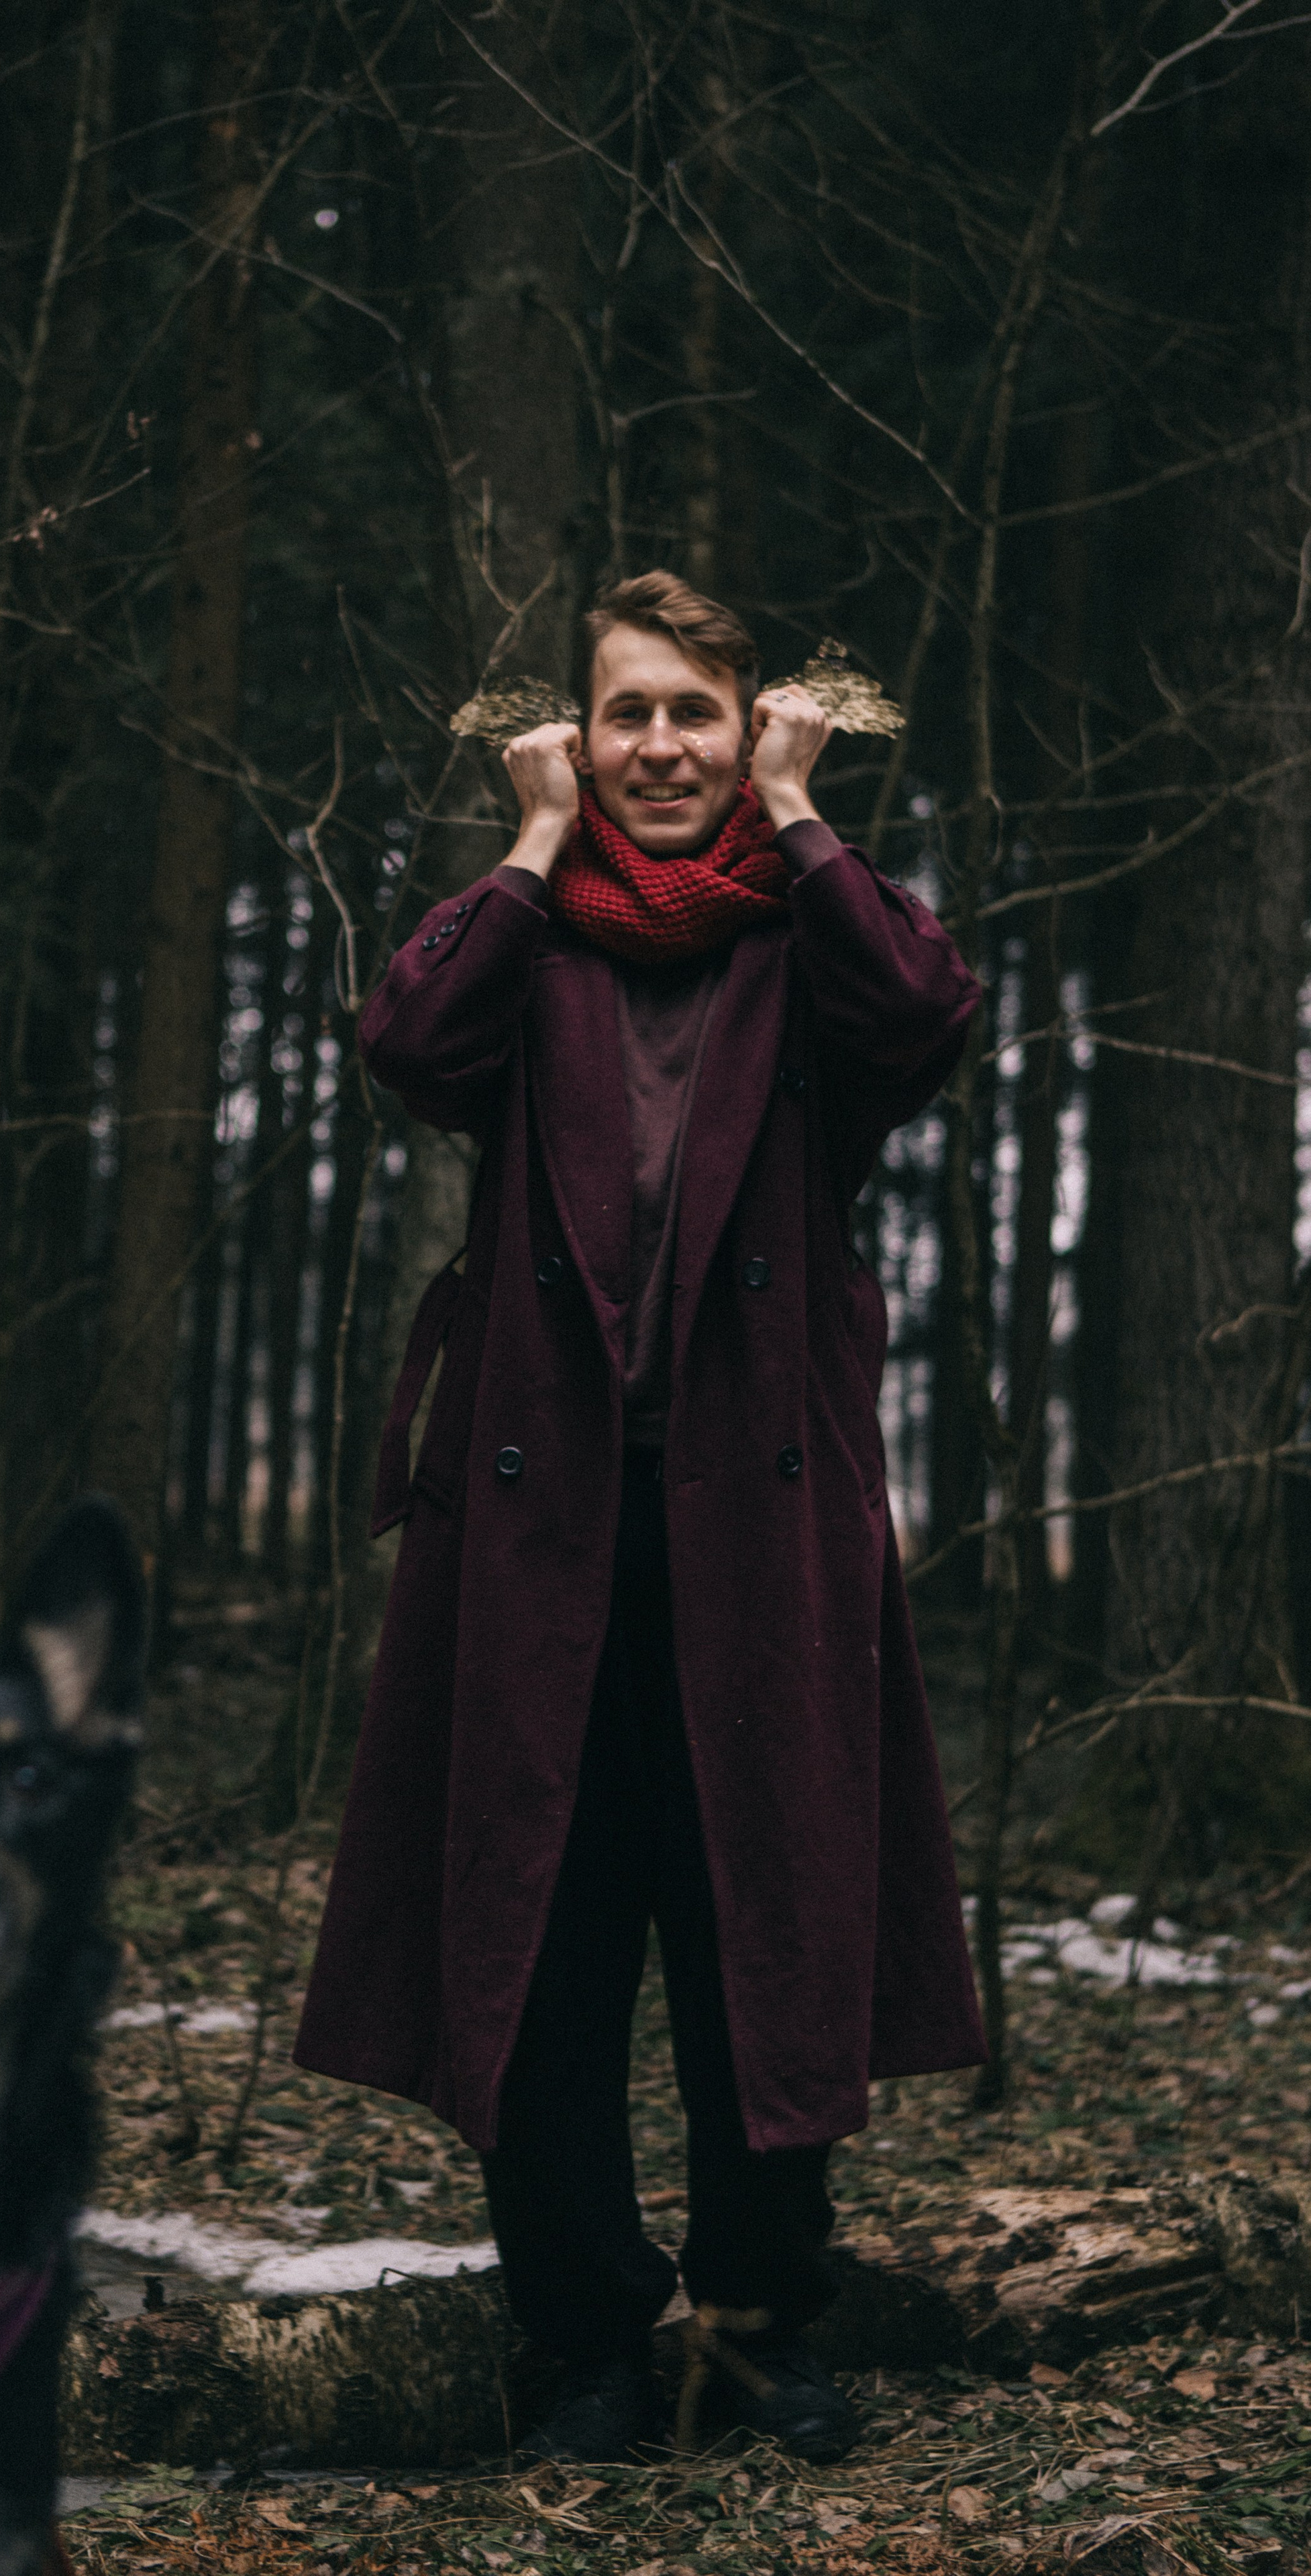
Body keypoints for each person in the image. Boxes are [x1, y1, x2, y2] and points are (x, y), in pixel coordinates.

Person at [294, 571, 984, 2463]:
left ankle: (759, 2336)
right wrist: (521, 851)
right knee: (544, 1943)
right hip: (538, 1534)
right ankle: (584, 2346)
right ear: (576, 740)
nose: (663, 748)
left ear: (748, 725)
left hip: (761, 1534)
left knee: (775, 1925)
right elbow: (410, 1047)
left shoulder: (806, 943)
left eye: (698, 712)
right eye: (629, 716)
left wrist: (807, 814)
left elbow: (927, 1011)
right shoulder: (528, 944)